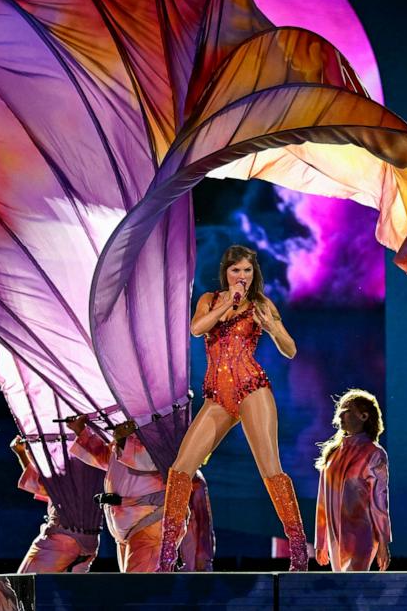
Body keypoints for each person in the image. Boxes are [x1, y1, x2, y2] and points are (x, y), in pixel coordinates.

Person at [157, 244, 305, 572]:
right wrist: (226, 303)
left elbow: (290, 350)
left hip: (252, 388)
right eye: (236, 270)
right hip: (217, 396)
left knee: (270, 468)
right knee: (181, 468)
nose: (242, 276)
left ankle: (297, 549)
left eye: (248, 271)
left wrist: (275, 327)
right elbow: (197, 329)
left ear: (255, 275)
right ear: (226, 272)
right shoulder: (210, 299)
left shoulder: (261, 305)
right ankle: (167, 553)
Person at [66, 416, 214, 572]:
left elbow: (152, 461)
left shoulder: (161, 438)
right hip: (127, 525)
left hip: (152, 521)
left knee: (140, 588)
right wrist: (81, 432)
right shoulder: (124, 440)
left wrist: (124, 440)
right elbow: (107, 458)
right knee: (135, 585)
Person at [314, 389, 391, 572]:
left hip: (360, 535)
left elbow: (379, 501)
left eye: (347, 409)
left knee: (353, 587)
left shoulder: (374, 453)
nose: (341, 413)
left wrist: (383, 542)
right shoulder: (333, 454)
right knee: (342, 588)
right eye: (340, 409)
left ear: (364, 416)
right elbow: (322, 501)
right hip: (335, 537)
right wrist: (321, 540)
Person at [10, 436, 100, 573]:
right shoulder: (98, 458)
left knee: (26, 587)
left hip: (62, 539)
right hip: (90, 541)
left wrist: (22, 453)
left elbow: (42, 486)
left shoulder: (65, 462)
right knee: (67, 593)